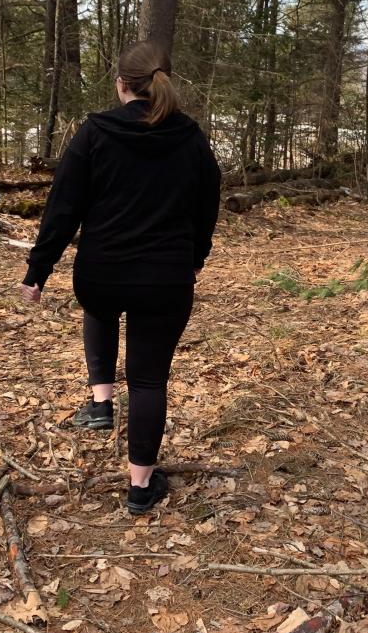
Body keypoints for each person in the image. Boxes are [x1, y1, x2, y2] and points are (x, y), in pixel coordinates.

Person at [20, 40, 221, 514]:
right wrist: (196, 255)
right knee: (149, 380)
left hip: (102, 272)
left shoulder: (95, 132)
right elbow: (208, 203)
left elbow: (62, 208)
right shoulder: (190, 137)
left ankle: (101, 403)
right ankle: (139, 487)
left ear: (121, 84)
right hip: (165, 277)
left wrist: (38, 270)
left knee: (101, 308)